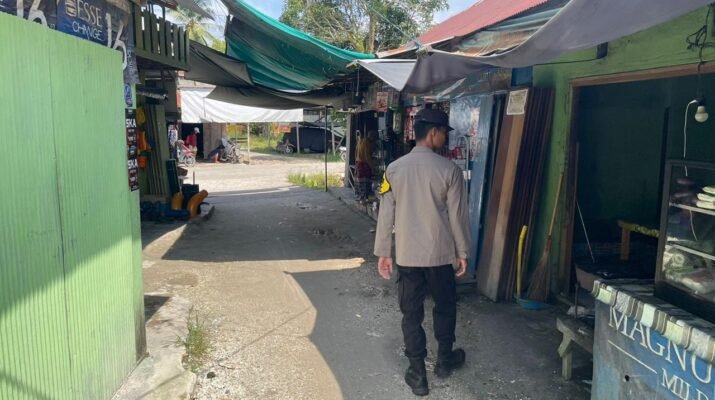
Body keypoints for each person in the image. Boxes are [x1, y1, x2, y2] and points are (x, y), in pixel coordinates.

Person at [373, 109, 472, 396]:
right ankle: (444, 360)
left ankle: (417, 373)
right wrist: (462, 251)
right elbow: (457, 217)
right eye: (444, 133)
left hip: (407, 256)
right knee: (445, 306)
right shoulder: (450, 170)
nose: (445, 138)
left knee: (411, 313)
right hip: (440, 255)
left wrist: (384, 252)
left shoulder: (393, 169)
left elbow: (386, 214)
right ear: (433, 133)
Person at [355, 130, 377, 200]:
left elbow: (356, 152)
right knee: (365, 181)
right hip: (364, 165)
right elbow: (367, 157)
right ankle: (364, 197)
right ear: (372, 137)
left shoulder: (360, 141)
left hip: (358, 163)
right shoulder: (367, 143)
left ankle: (361, 197)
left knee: (360, 181)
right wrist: (372, 167)